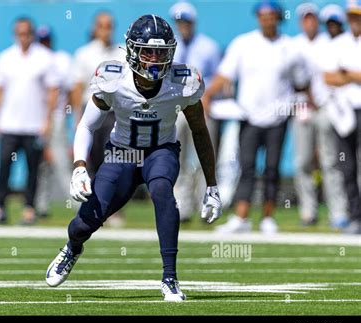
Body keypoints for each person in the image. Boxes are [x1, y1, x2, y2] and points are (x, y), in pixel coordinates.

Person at [45, 15, 222, 302]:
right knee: (83, 223)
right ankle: (73, 247)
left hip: (160, 151)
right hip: (121, 153)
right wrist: (79, 167)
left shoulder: (183, 82)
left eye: (161, 52)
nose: (154, 58)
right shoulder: (113, 79)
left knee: (163, 190)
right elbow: (87, 125)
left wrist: (212, 187)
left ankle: (170, 279)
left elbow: (199, 131)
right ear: (132, 50)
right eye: (147, 51)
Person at [203, 0, 308, 234]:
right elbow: (224, 74)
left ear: (279, 18)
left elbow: (301, 82)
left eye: (272, 15)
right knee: (247, 166)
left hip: (279, 117)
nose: (267, 19)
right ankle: (241, 217)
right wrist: (208, 94)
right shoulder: (244, 44)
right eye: (263, 15)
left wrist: (307, 103)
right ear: (258, 18)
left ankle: (268, 217)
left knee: (272, 168)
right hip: (249, 116)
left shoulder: (290, 47)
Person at [0, 17, 59, 225]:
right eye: (20, 33)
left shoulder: (45, 57)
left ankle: (29, 208)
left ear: (33, 34)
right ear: (14, 34)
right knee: (3, 167)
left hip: (34, 125)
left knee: (33, 169)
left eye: (27, 32)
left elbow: (53, 91)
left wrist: (47, 121)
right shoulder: (5, 58)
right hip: (9, 124)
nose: (24, 37)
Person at [292, 3, 349, 229]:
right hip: (303, 109)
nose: (310, 23)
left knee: (331, 161)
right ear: (301, 22)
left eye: (313, 18)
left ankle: (338, 212)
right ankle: (308, 210)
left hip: (327, 109)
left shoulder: (330, 43)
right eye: (306, 19)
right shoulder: (294, 46)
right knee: (303, 161)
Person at [70, 11, 127, 227]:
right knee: (89, 159)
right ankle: (88, 207)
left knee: (112, 162)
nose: (106, 30)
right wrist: (77, 119)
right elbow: (77, 88)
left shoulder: (121, 52)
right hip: (92, 110)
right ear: (95, 28)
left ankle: (111, 209)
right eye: (102, 25)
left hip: (114, 113)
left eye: (109, 25)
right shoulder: (84, 53)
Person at [168, 1, 223, 222]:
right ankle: (183, 205)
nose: (183, 25)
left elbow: (220, 77)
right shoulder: (170, 46)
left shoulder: (208, 47)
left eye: (186, 21)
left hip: (202, 105)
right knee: (176, 156)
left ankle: (206, 202)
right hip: (176, 109)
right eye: (179, 21)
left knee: (205, 155)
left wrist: (208, 95)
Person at [323, 0, 361, 234]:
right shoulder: (338, 44)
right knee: (346, 166)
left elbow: (341, 76)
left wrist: (347, 74)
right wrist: (351, 77)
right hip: (345, 112)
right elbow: (328, 77)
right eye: (352, 16)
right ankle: (355, 215)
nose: (354, 21)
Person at [34, 25, 74, 217]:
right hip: (33, 120)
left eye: (46, 40)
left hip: (55, 118)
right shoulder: (33, 59)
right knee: (40, 165)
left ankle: (78, 205)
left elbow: (69, 90)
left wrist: (73, 116)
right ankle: (40, 205)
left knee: (61, 163)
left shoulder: (61, 60)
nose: (44, 44)